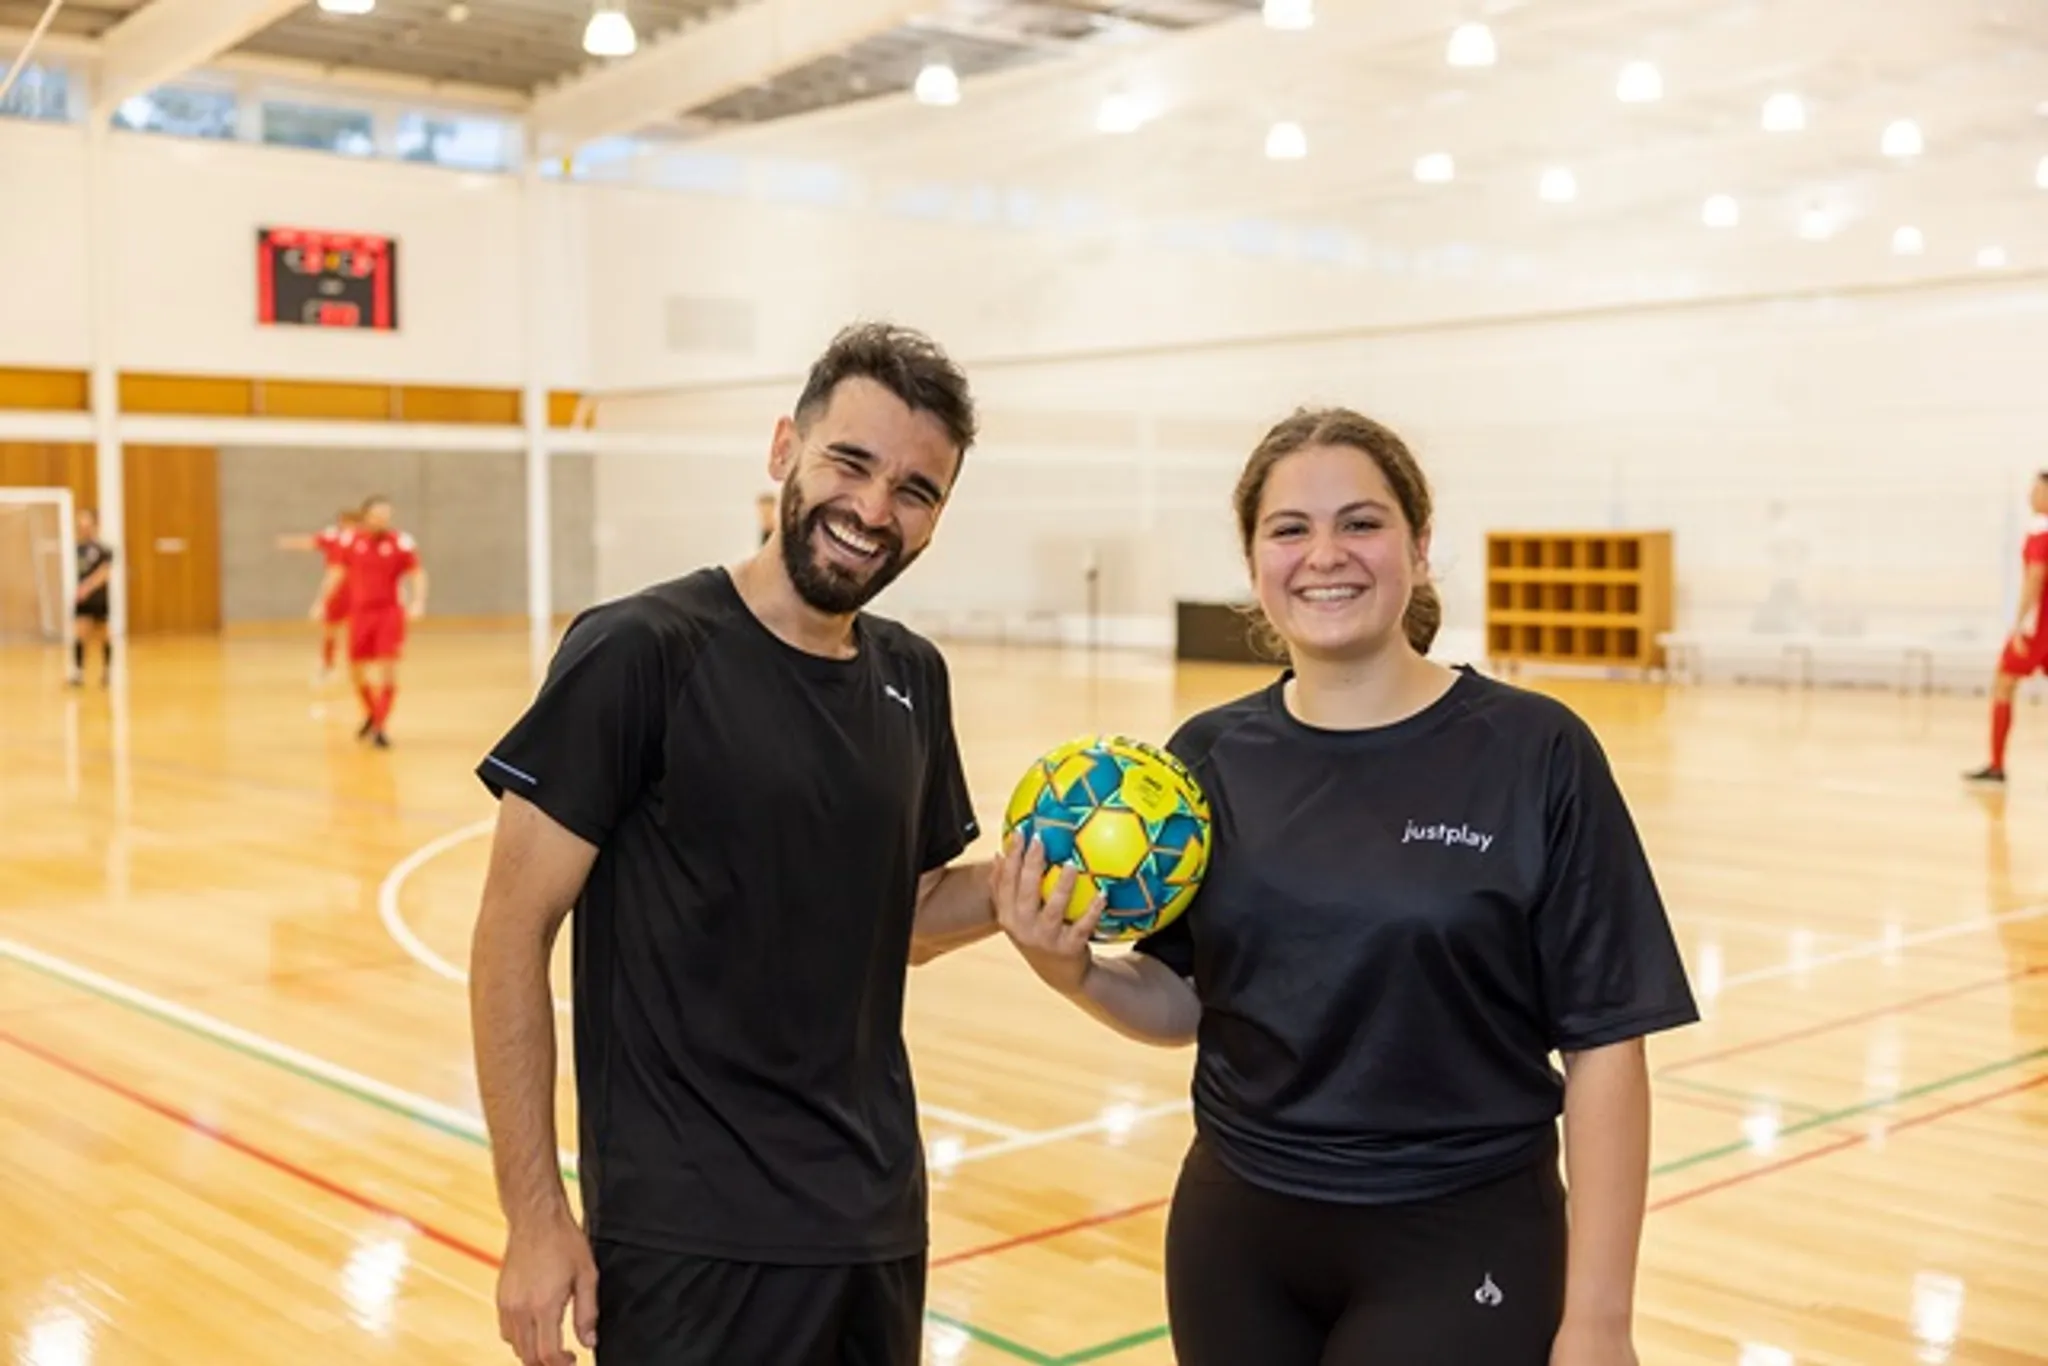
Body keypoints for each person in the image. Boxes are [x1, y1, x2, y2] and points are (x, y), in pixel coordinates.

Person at [996, 406, 1699, 1366]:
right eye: (1291, 529)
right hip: (1236, 1235)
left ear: (1418, 543)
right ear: (1254, 563)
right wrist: (1070, 973)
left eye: (1360, 522)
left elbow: (1608, 1042)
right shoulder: (1204, 761)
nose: (1325, 554)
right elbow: (1185, 1000)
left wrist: (1600, 1321)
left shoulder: (1537, 751)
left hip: (1463, 1235)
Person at [467, 321, 999, 1366]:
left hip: (872, 1222)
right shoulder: (639, 651)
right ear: (781, 451)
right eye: (850, 461)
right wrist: (534, 1218)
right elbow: (508, 936)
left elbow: (904, 920)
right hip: (686, 1240)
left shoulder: (911, 675)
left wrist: (1021, 892)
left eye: (915, 490)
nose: (872, 509)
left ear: (937, 520)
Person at [315, 496, 424, 747]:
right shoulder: (351, 542)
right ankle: (372, 713)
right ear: (366, 517)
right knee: (357, 671)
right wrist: (322, 601)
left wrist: (418, 601)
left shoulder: (401, 542)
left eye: (386, 515)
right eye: (377, 515)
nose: (382, 520)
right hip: (360, 614)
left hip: (389, 613)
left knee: (388, 669)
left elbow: (417, 574)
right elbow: (336, 573)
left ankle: (380, 727)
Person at [1964, 470, 2048, 785]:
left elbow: (2035, 578)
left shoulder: (2041, 534)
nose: (2031, 495)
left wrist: (2019, 625)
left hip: (2038, 629)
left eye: (2038, 490)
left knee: (2003, 682)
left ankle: (1997, 765)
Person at [277, 507, 362, 681]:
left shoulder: (364, 540)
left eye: (348, 522)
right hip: (338, 590)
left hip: (358, 589)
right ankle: (328, 665)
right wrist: (287, 542)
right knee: (330, 630)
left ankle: (357, 666)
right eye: (341, 521)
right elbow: (312, 542)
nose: (344, 525)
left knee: (358, 630)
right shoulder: (333, 537)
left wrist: (320, 602)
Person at [70, 508, 114, 687]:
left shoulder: (104, 549)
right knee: (80, 634)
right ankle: (78, 673)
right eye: (80, 524)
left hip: (98, 598)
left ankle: (107, 672)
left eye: (86, 524)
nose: (83, 528)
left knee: (104, 635)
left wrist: (87, 587)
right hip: (81, 599)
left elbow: (104, 573)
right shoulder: (75, 549)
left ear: (94, 526)